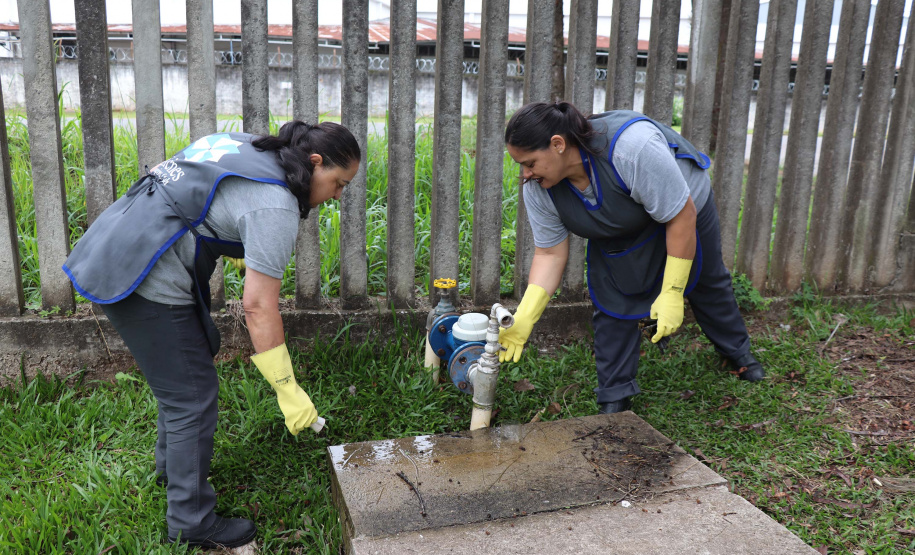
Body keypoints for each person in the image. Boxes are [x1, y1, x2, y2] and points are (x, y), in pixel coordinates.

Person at [62, 121, 360, 547]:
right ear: (315, 162)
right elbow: (258, 307)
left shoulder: (250, 146)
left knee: (183, 382)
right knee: (192, 397)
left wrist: (231, 235)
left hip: (113, 240)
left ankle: (173, 471)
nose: (337, 196)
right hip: (143, 274)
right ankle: (190, 520)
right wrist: (286, 387)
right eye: (338, 183)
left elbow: (204, 195)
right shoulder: (275, 206)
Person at [498, 101, 765, 415]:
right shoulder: (539, 187)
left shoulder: (632, 148)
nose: (525, 174)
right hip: (619, 222)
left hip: (682, 206)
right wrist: (526, 315)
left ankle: (738, 353)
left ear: (558, 144)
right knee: (613, 295)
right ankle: (615, 394)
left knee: (706, 280)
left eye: (530, 163)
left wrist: (673, 291)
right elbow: (550, 253)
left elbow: (680, 217)